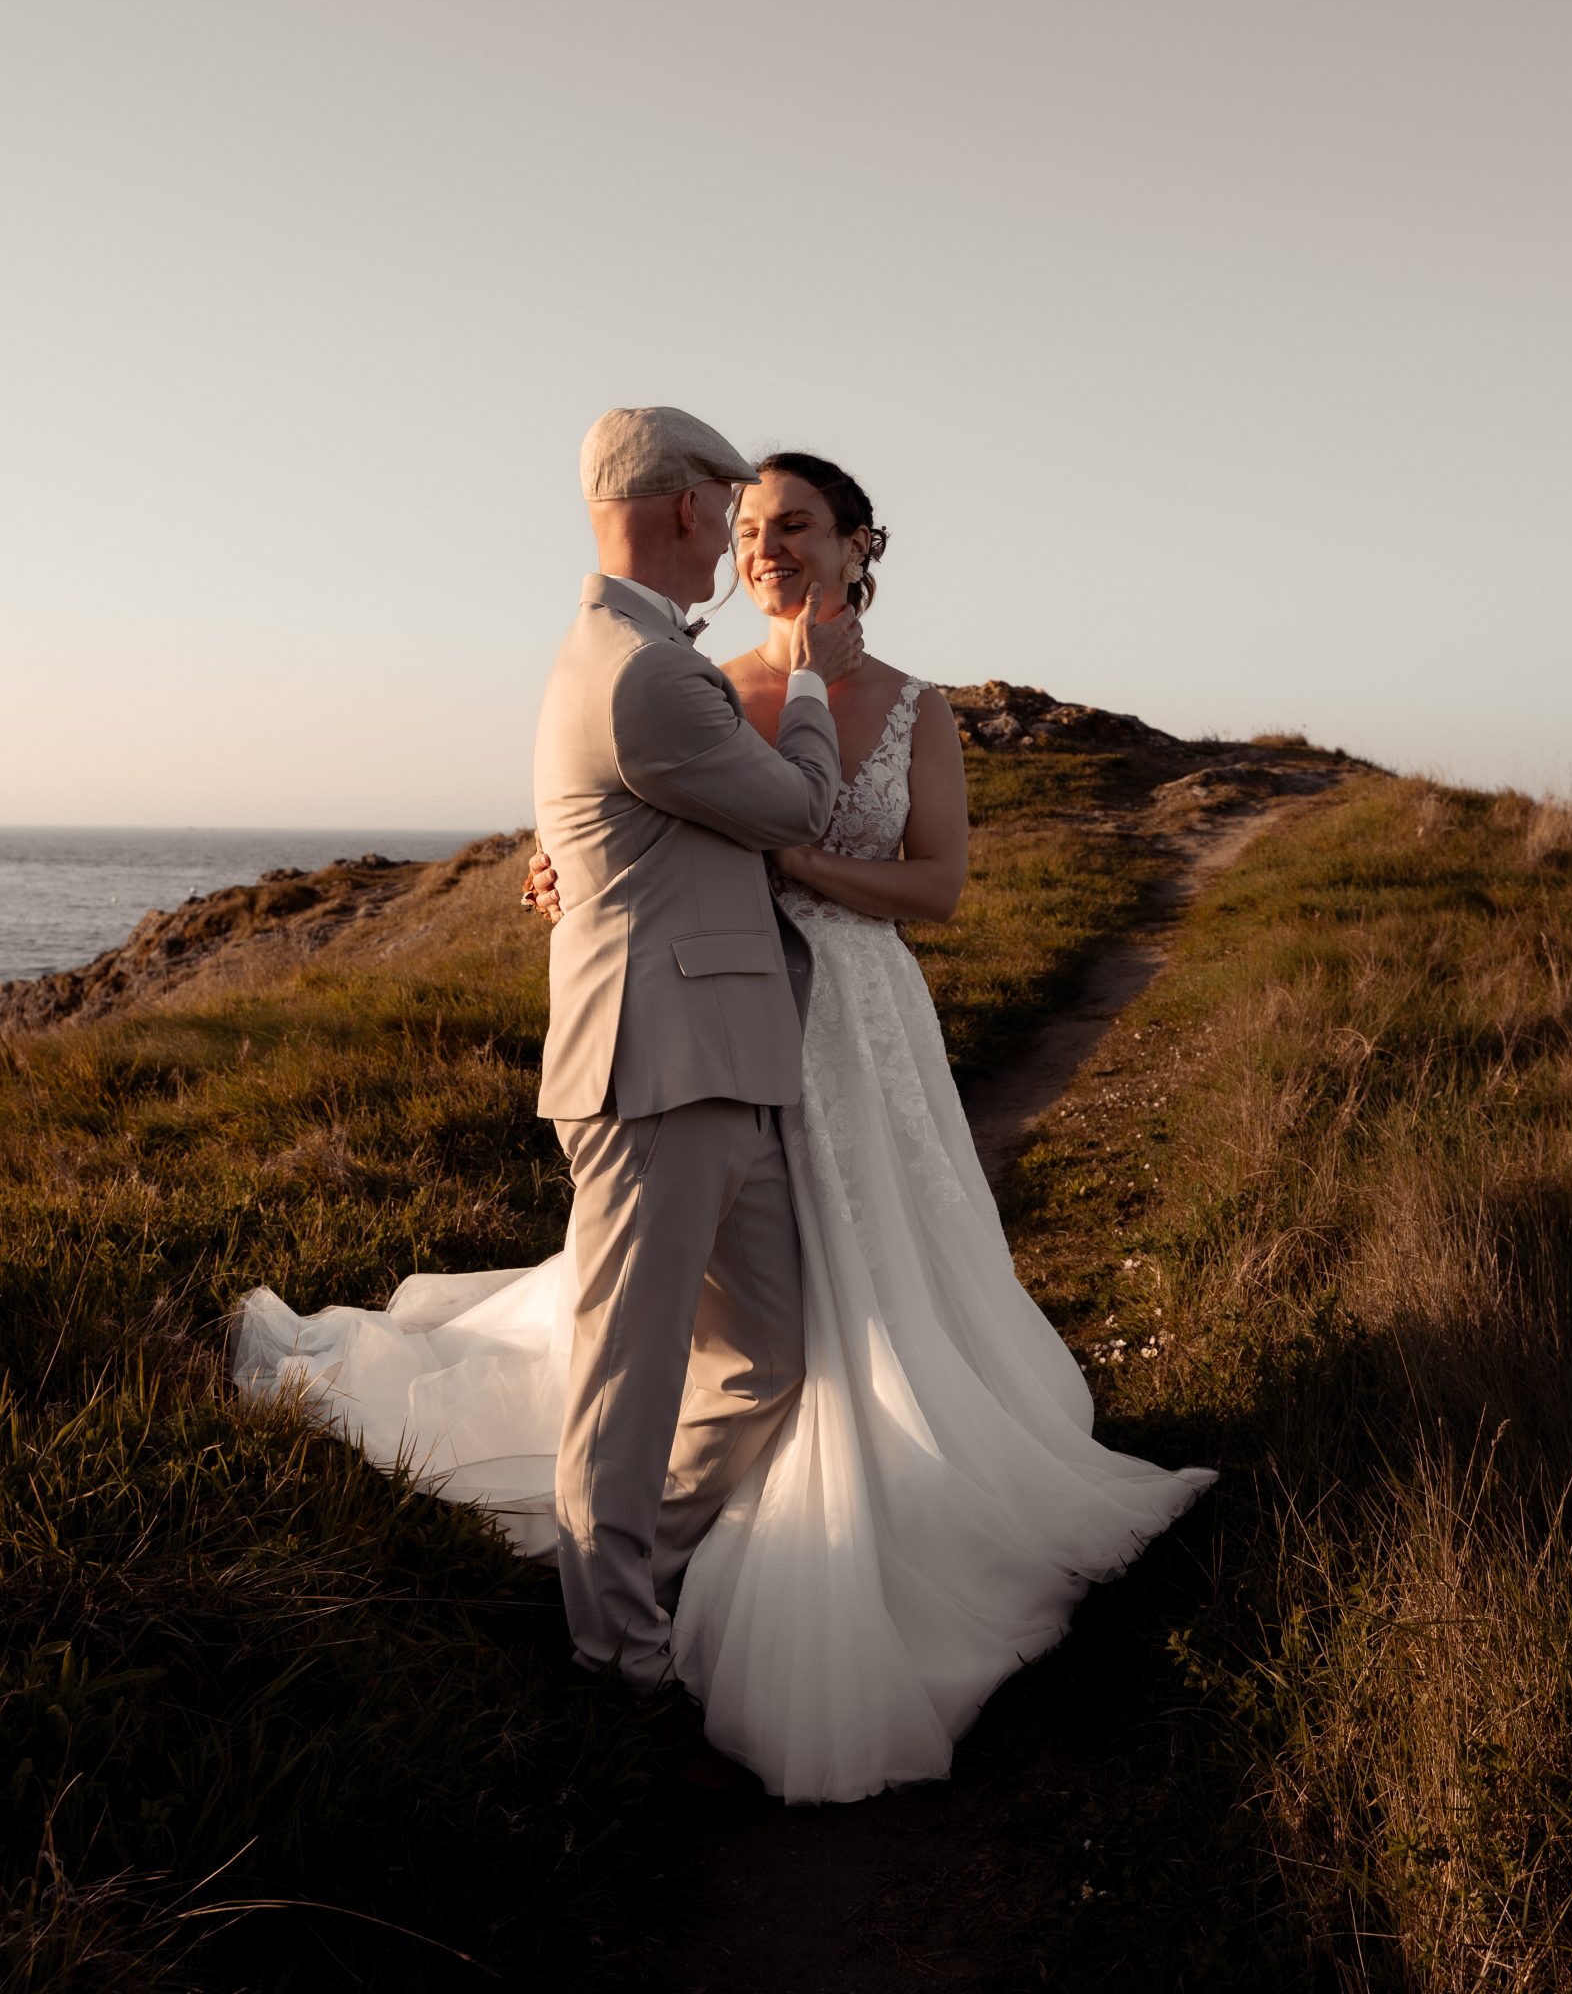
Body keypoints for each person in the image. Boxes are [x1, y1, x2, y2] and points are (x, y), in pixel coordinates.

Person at [236, 424, 1216, 1804]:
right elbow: (642, 817)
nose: (765, 549)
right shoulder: (696, 681)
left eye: (794, 526)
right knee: (674, 1334)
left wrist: (792, 862)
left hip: (846, 1020)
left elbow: (934, 886)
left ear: (860, 546)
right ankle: (628, 1593)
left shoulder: (912, 708)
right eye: (749, 528)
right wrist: (564, 868)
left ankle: (728, 1533)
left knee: (819, 1310)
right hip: (701, 1038)